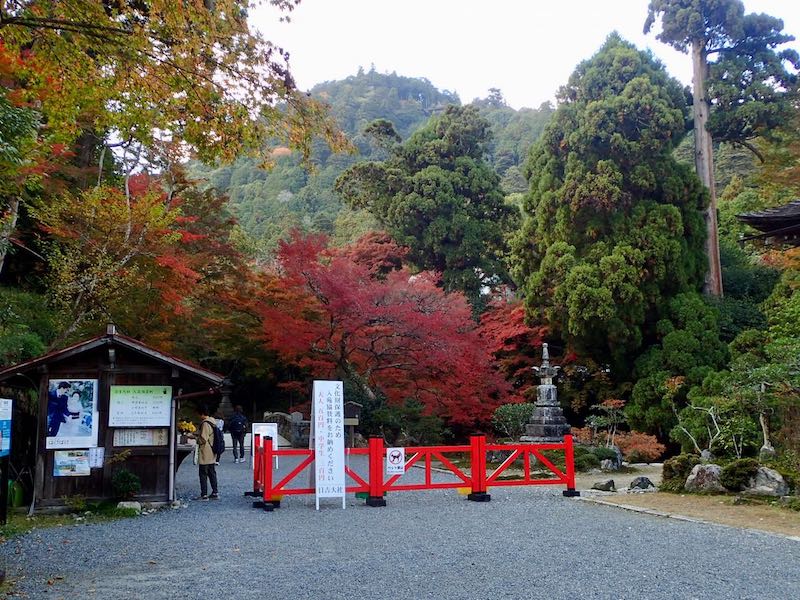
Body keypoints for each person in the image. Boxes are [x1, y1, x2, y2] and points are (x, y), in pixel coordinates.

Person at [187, 406, 219, 500]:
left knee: (203, 473)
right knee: (212, 472)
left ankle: (204, 494)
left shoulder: (205, 423)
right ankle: (215, 492)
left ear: (202, 413)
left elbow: (203, 439)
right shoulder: (212, 421)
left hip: (206, 451)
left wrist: (194, 438)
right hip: (212, 450)